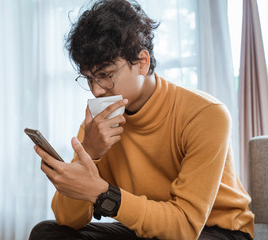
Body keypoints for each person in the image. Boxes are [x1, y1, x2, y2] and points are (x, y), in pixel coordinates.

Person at [29, 0, 254, 239]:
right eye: (89, 78)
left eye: (105, 74)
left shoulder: (205, 114)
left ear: (142, 62)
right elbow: (67, 220)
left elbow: (185, 227)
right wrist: (90, 153)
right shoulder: (98, 125)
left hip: (214, 230)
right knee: (47, 233)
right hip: (147, 227)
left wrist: (103, 194)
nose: (96, 90)